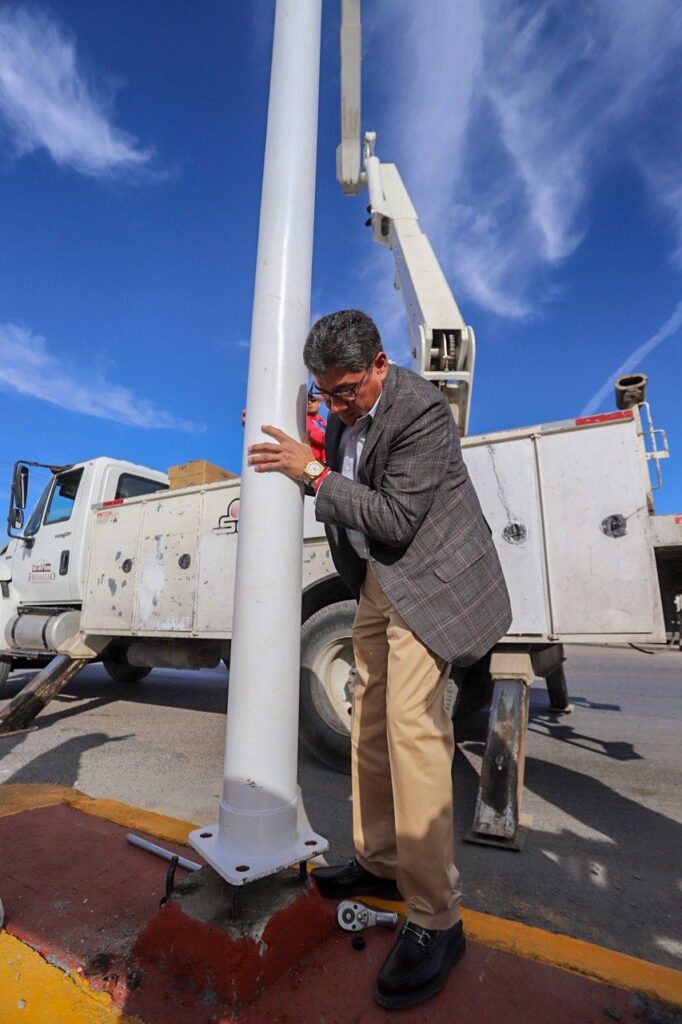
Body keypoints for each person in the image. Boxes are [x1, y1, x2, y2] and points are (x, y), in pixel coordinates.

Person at [247, 309, 511, 1011]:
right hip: (376, 585)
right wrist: (292, 422)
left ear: (381, 366)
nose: (334, 405)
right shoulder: (338, 412)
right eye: (323, 393)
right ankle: (382, 864)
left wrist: (311, 475)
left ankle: (437, 919)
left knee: (409, 730)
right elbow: (327, 445)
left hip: (432, 586)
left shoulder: (422, 412)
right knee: (364, 722)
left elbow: (393, 517)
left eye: (345, 392)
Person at [306, 390, 326, 462]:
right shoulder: (304, 421)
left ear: (319, 403)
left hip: (327, 462)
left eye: (312, 400)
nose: (309, 403)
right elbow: (319, 437)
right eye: (306, 401)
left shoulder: (325, 422)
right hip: (314, 462)